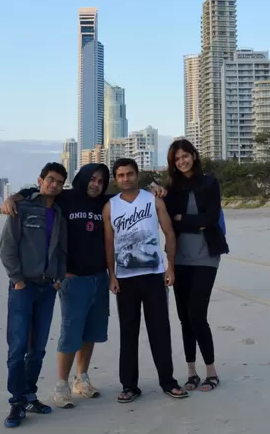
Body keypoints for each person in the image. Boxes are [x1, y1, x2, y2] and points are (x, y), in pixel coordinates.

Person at [1, 163, 112, 408]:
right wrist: (11, 198)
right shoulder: (65, 198)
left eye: (101, 181)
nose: (95, 184)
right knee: (69, 333)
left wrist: (155, 189)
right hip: (70, 279)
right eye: (92, 178)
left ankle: (81, 379)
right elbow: (37, 191)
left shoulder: (105, 202)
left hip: (97, 277)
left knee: (90, 332)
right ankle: (61, 385)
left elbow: (129, 192)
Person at [104, 158, 189, 403]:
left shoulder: (153, 200)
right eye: (121, 175)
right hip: (125, 279)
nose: (126, 178)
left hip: (154, 276)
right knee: (128, 333)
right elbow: (108, 243)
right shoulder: (110, 207)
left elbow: (169, 233)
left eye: (129, 174)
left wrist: (170, 267)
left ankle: (168, 382)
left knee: (160, 330)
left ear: (137, 174)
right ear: (116, 179)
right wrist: (112, 275)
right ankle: (129, 385)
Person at [0, 162, 68, 428]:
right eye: (51, 179)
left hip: (47, 288)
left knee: (37, 348)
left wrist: (58, 278)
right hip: (23, 288)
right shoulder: (22, 208)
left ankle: (29, 395)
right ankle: (16, 402)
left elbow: (61, 249)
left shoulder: (58, 213)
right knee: (17, 348)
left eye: (59, 182)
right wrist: (17, 280)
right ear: (40, 181)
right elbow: (7, 247)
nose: (54, 185)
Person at [163, 139, 229, 393]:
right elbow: (171, 222)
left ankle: (211, 371)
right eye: (177, 159)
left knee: (197, 315)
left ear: (193, 155)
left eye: (185, 156)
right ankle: (191, 372)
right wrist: (193, 222)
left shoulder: (209, 183)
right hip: (179, 258)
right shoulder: (172, 188)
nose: (182, 161)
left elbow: (211, 219)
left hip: (206, 256)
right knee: (184, 318)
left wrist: (184, 220)